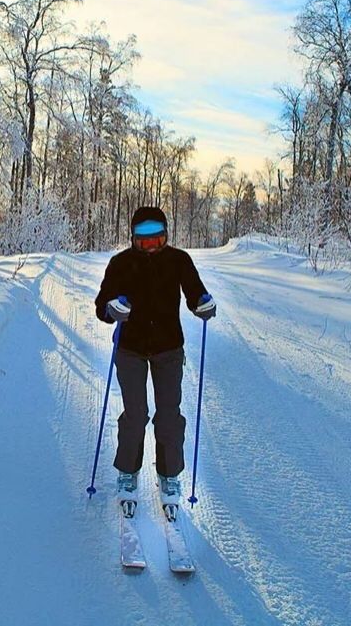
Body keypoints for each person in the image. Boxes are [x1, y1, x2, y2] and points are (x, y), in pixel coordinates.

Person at [93, 206, 216, 519]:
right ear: (133, 239)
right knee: (136, 414)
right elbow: (101, 306)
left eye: (157, 241)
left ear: (166, 237)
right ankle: (128, 471)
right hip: (130, 349)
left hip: (168, 349)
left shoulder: (179, 260)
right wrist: (112, 310)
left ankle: (169, 475)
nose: (151, 248)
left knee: (169, 416)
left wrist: (204, 304)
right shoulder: (120, 263)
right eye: (144, 242)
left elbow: (195, 293)